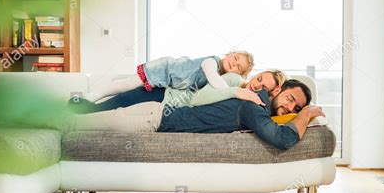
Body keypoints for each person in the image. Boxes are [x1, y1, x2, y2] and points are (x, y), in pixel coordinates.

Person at [67, 79, 325, 150]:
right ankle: (33, 117)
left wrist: (298, 114)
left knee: (77, 125)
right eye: (290, 100)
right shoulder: (253, 105)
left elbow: (279, 127)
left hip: (154, 118)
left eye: (296, 109)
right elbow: (281, 139)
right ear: (278, 90)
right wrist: (306, 115)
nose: (290, 109)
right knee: (75, 124)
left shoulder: (261, 109)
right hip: (152, 117)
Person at [69, 70, 287, 114]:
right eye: (259, 79)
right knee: (125, 99)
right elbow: (200, 98)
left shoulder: (247, 99)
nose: (257, 85)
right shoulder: (233, 81)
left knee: (124, 104)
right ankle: (86, 110)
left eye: (264, 87)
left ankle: (87, 111)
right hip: (166, 93)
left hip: (169, 102)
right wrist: (235, 92)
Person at [83, 51, 254, 103]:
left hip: (168, 83)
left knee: (132, 90)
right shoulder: (211, 63)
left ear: (238, 74)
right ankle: (94, 95)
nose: (234, 63)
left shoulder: (219, 76)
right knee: (128, 84)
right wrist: (232, 90)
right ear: (230, 54)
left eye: (239, 67)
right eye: (235, 58)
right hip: (165, 70)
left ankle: (97, 97)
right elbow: (212, 76)